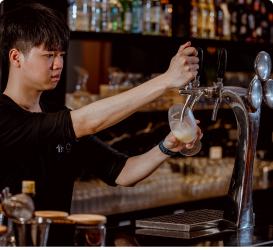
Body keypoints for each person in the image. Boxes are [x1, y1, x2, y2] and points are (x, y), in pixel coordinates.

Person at [0, 3, 203, 213]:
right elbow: (86, 122)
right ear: (16, 58)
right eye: (49, 55)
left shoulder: (56, 113)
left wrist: (167, 147)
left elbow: (123, 173)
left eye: (61, 55)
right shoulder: (4, 116)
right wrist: (166, 80)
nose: (59, 64)